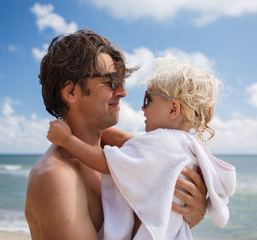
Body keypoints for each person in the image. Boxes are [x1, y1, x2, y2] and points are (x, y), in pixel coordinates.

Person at [25, 30, 207, 240]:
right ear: (71, 92)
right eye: (111, 81)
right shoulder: (56, 178)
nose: (122, 91)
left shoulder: (124, 154)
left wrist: (191, 213)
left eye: (121, 81)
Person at [47, 56, 236, 239]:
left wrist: (67, 140)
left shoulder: (162, 144)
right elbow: (128, 141)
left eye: (148, 100)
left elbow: (107, 163)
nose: (142, 108)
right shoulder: (185, 145)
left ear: (173, 109)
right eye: (110, 82)